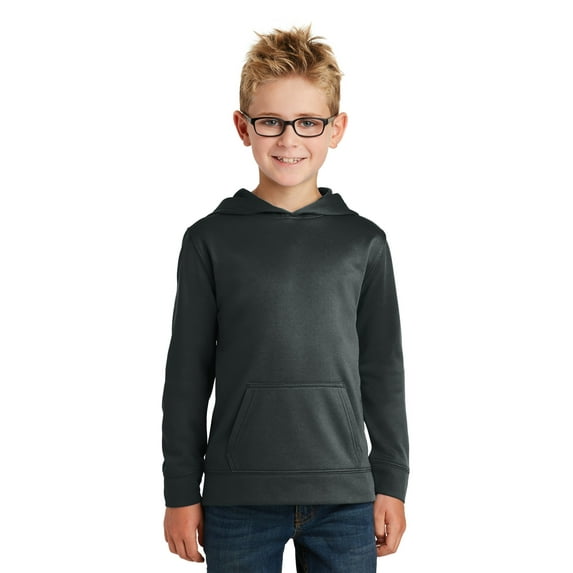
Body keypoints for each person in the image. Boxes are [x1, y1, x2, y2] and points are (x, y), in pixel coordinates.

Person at [162, 25, 409, 572]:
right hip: (237, 499)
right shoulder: (210, 240)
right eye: (271, 121)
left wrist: (391, 481)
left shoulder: (364, 242)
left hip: (346, 496)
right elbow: (186, 375)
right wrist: (180, 491)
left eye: (308, 122)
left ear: (336, 129)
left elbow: (383, 371)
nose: (289, 139)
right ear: (243, 127)